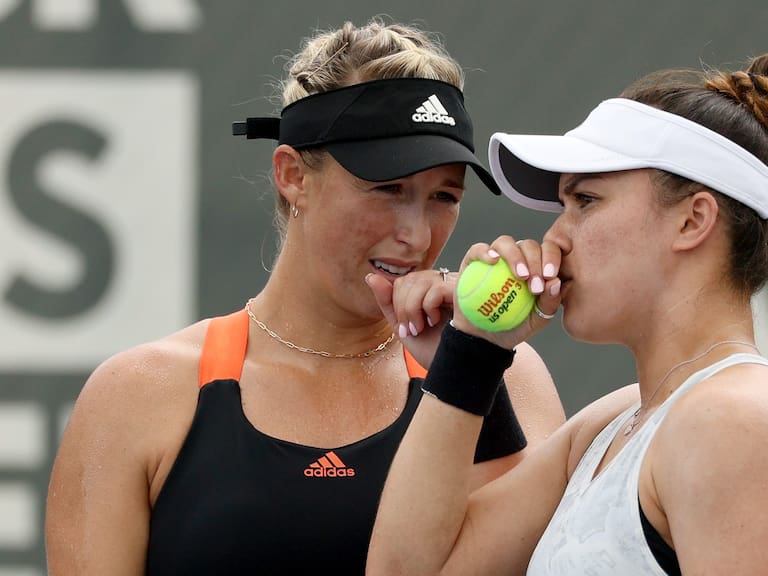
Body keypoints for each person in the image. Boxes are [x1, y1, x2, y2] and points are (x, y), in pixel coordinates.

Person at [44, 18, 566, 575]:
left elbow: (527, 564)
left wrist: (470, 370)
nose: (416, 234)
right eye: (388, 188)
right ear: (293, 175)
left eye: (443, 195)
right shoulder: (139, 395)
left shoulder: (503, 375)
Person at [366, 54, 768, 575]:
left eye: (586, 200)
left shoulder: (731, 419)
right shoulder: (610, 424)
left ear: (693, 220)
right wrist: (472, 351)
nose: (555, 237)